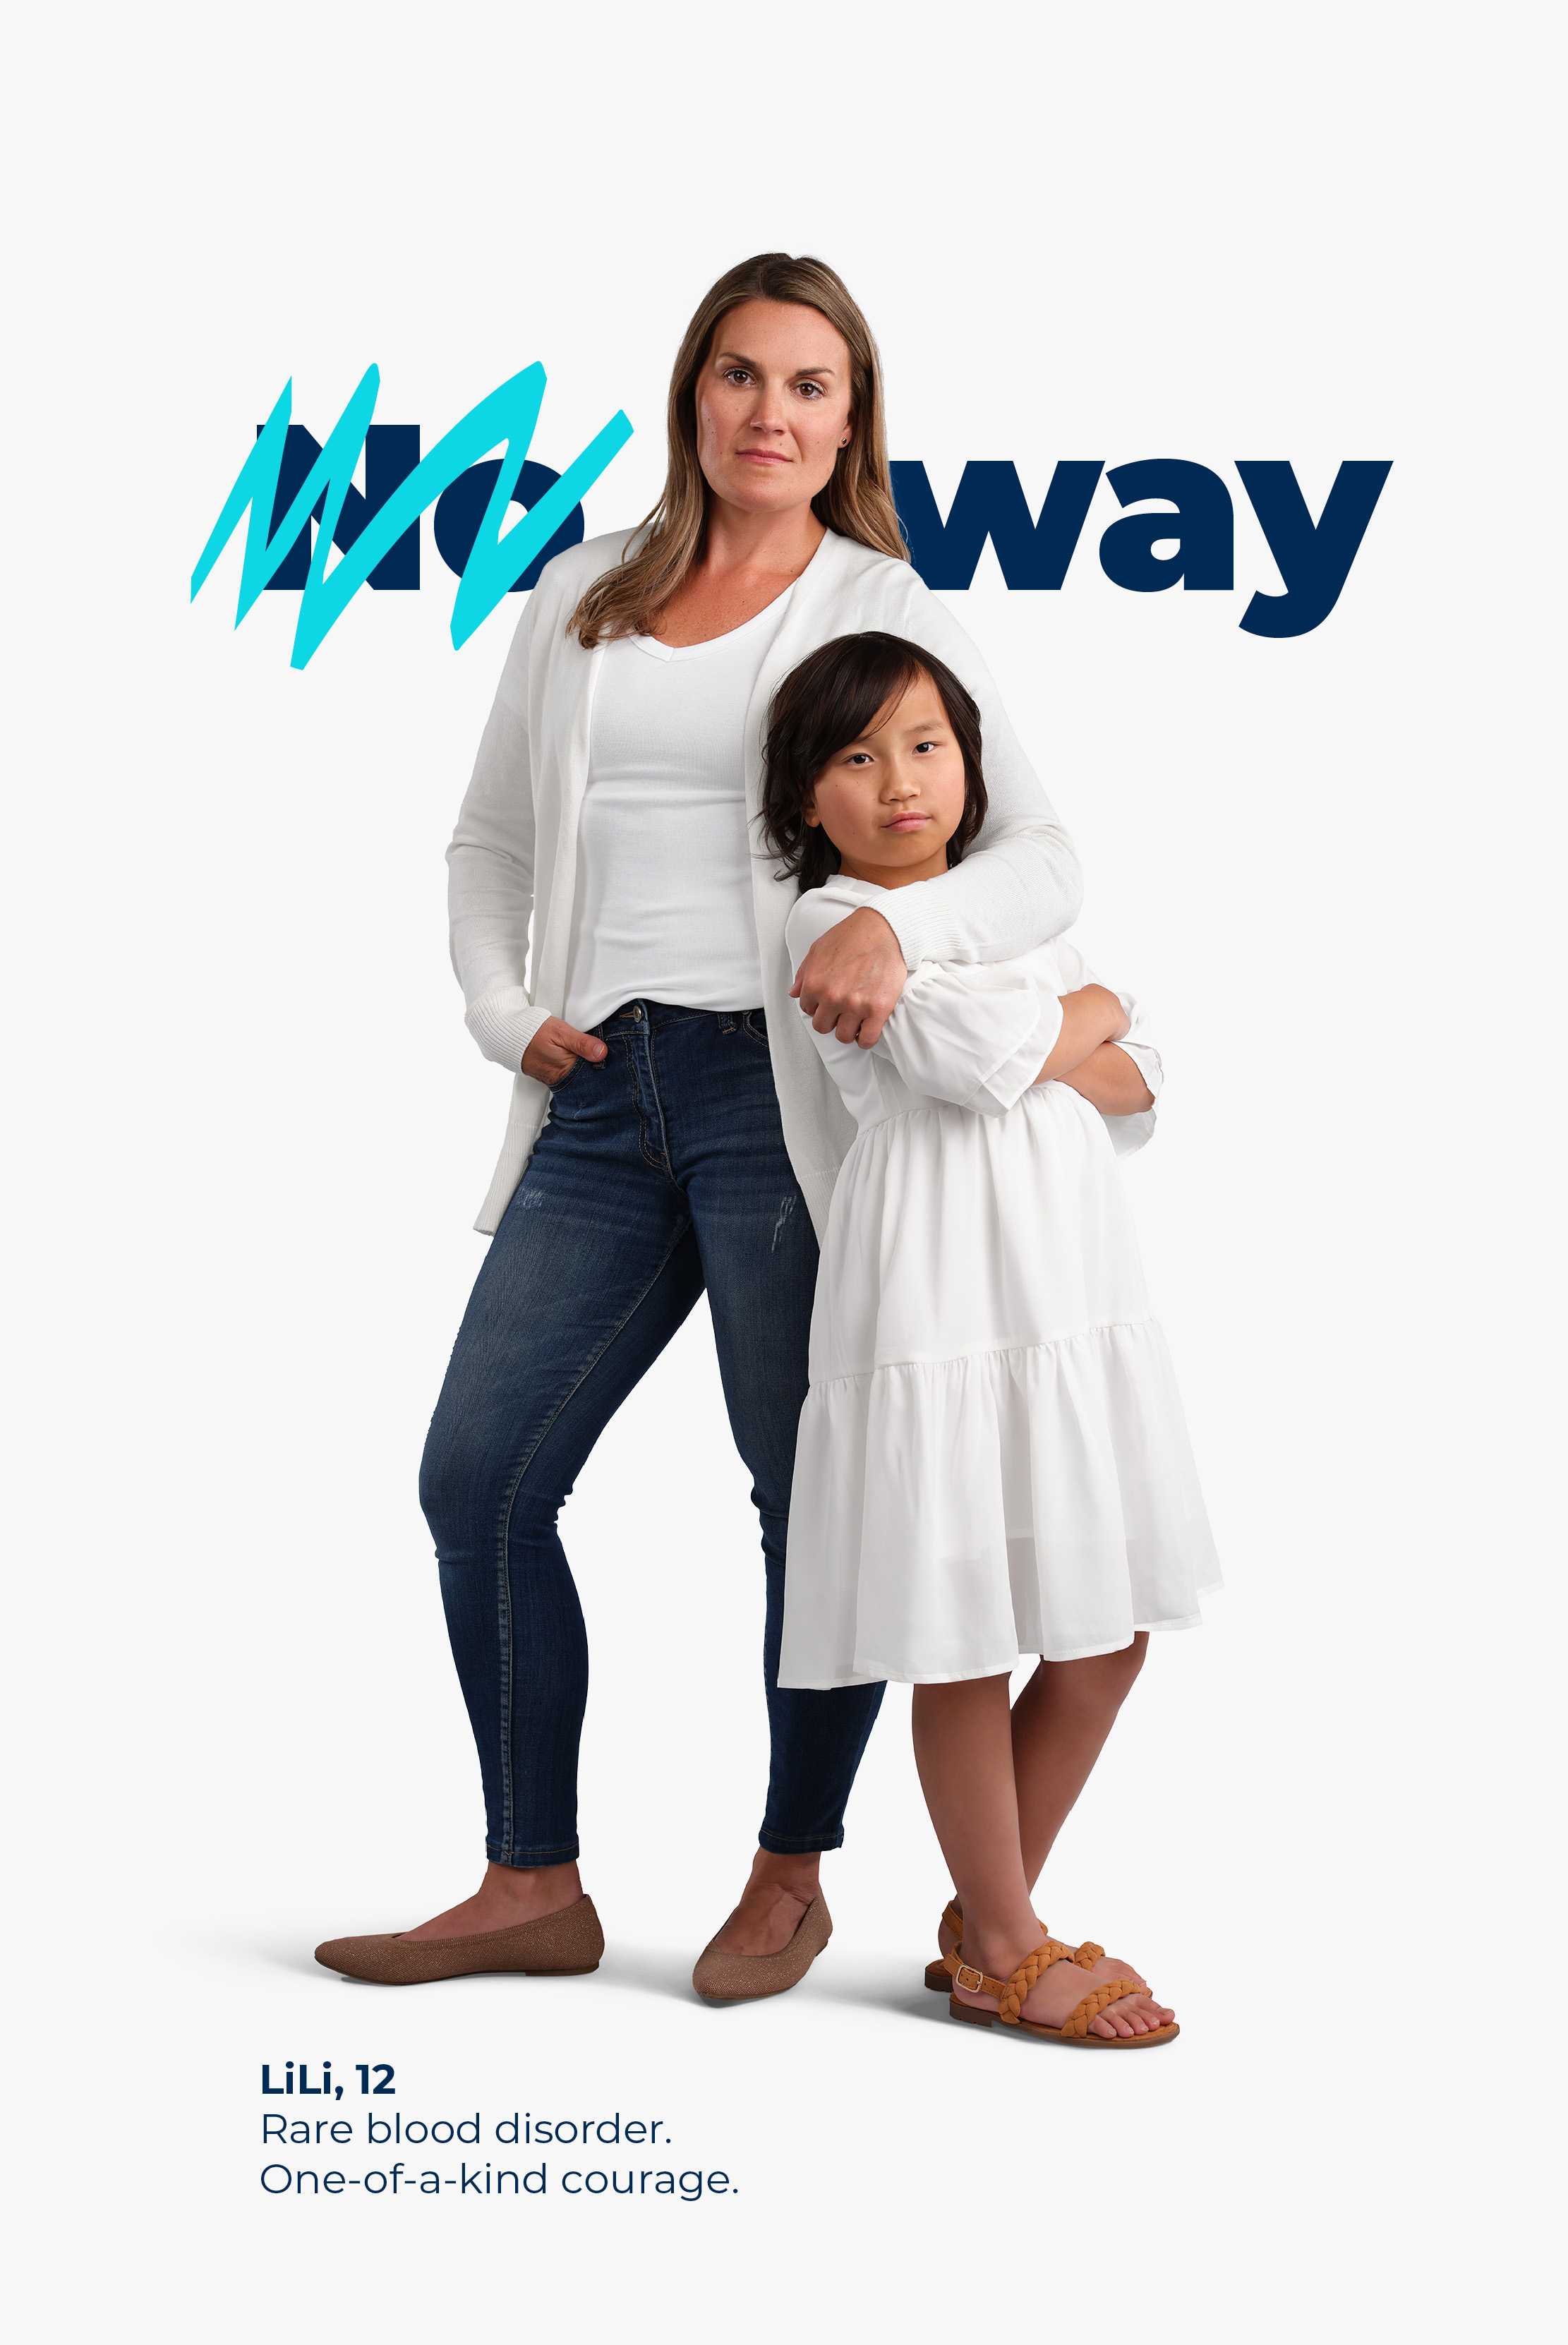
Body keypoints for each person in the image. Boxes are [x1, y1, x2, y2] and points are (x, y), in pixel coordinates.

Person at [315, 253, 1085, 1997]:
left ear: (848, 420)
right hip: (599, 1084)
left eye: (810, 388)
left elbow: (1040, 853)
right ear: (694, 394)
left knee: (804, 1498)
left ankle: (788, 1871)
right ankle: (532, 1884)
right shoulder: (583, 593)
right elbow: (486, 846)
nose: (770, 414)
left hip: (784, 1102)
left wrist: (903, 925)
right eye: (741, 376)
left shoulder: (879, 599)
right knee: (479, 1476)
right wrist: (511, 1018)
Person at [764, 631, 1222, 2044]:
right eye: (855, 758)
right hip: (937, 1288)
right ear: (806, 801)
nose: (899, 783)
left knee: (1105, 1631)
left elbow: (1143, 1084)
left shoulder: (995, 911)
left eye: (924, 745)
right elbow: (981, 1062)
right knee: (961, 1627)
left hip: (1064, 1282)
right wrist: (1087, 1015)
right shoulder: (820, 929)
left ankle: (986, 1908)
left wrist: (1078, 1026)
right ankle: (1008, 1940)